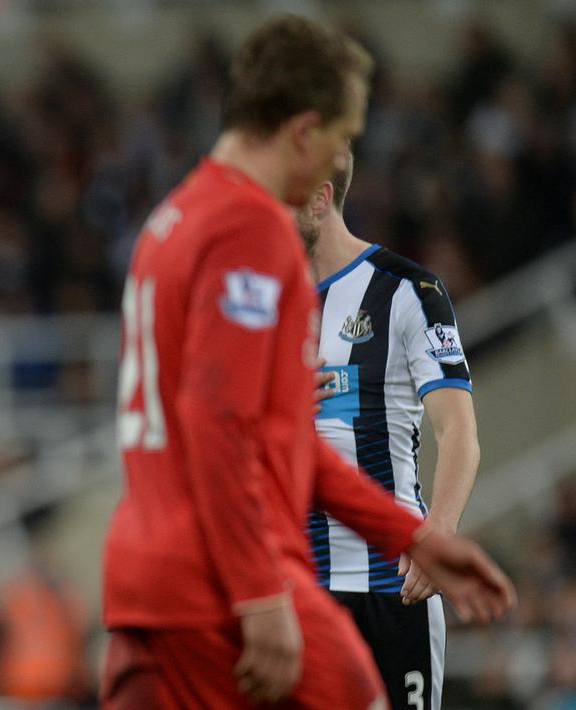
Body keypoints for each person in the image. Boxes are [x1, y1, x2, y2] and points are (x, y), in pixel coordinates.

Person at [101, 15, 515, 709]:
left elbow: (240, 424)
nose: (336, 160)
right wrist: (262, 595)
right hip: (213, 584)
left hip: (151, 575)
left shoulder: (171, 220)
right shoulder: (248, 228)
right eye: (337, 137)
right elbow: (216, 426)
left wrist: (411, 532)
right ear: (303, 130)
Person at [299, 152, 479, 709]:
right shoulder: (260, 307)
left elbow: (460, 434)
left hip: (392, 588)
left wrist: (440, 532)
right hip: (301, 593)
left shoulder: (408, 291)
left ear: (319, 199)